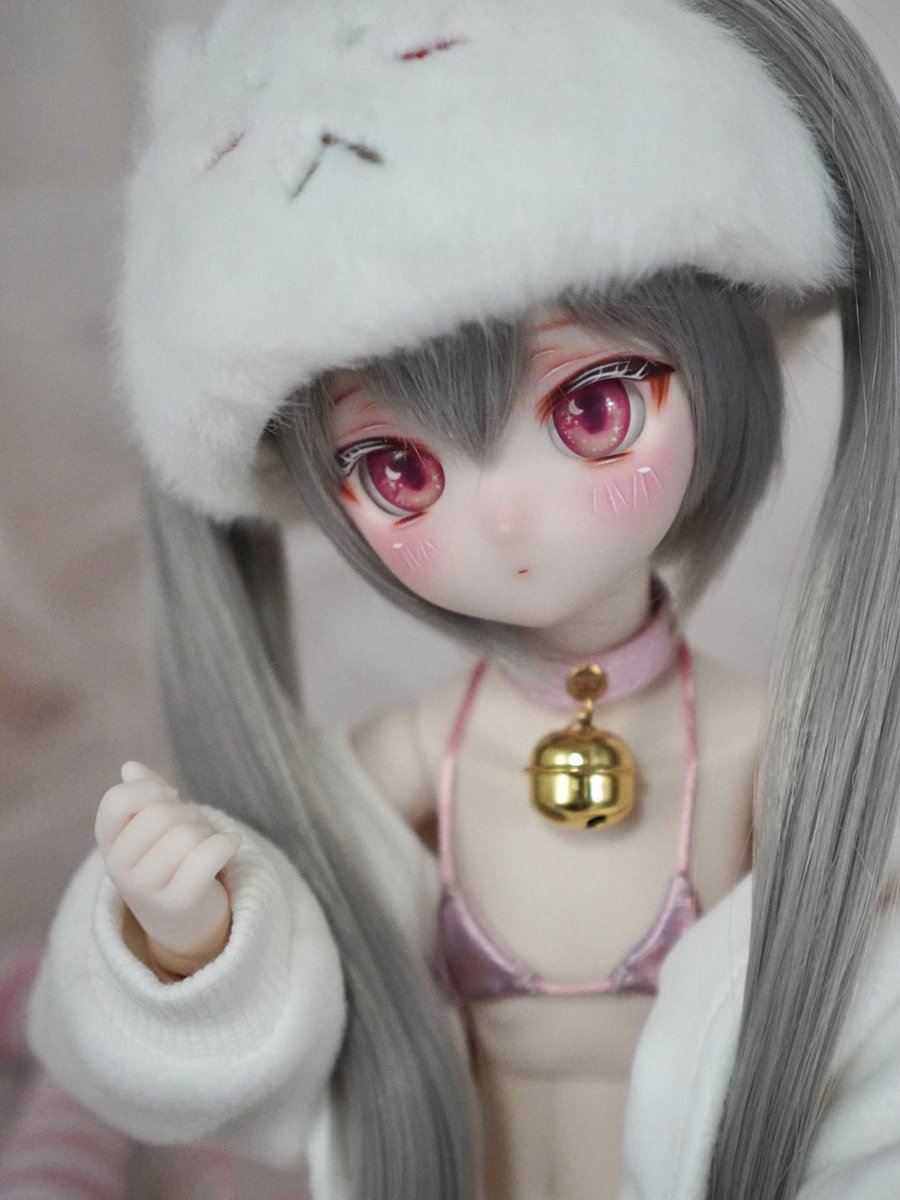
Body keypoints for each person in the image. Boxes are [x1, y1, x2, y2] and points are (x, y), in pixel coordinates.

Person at [27, 1, 900, 1198]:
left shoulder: (767, 746)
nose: (505, 518)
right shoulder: (422, 754)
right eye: (399, 469)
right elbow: (295, 912)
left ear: (722, 362)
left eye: (591, 408)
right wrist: (189, 942)